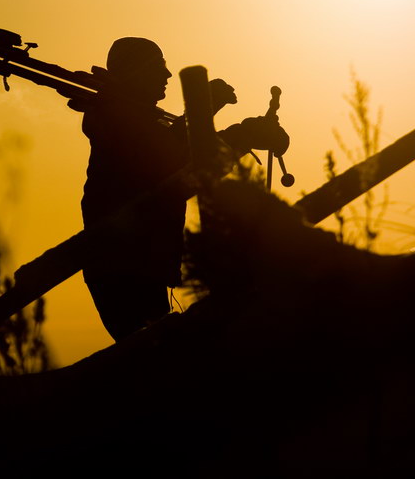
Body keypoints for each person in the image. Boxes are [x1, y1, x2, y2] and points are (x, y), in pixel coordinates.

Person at [80, 37, 289, 341]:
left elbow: (178, 153)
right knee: (155, 354)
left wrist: (242, 131)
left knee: (158, 353)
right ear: (135, 72)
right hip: (125, 266)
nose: (167, 75)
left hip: (136, 264)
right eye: (158, 67)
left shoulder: (128, 118)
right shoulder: (115, 118)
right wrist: (219, 117)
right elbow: (172, 160)